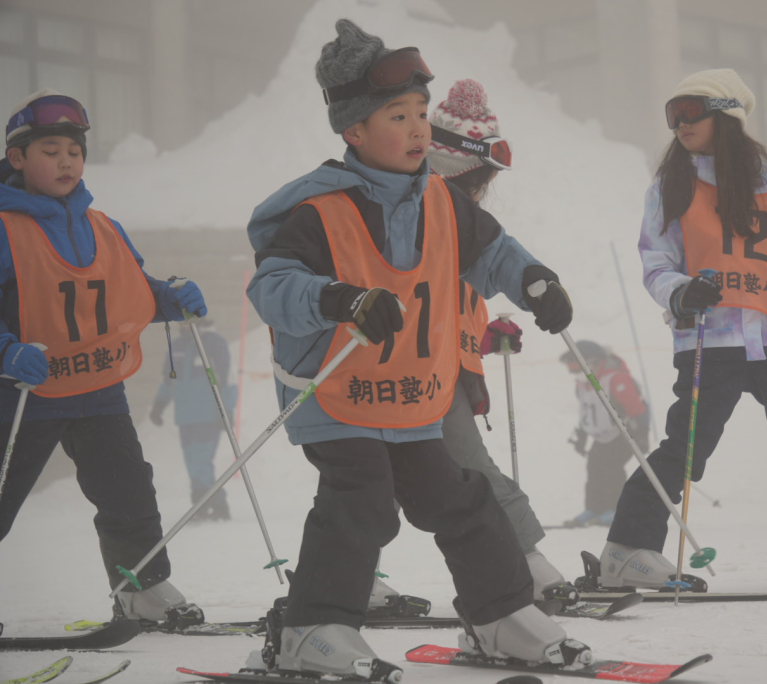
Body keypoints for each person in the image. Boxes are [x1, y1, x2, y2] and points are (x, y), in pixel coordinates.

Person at [244, 21, 584, 677]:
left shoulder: (442, 201)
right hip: (337, 391)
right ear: (354, 131)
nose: (419, 128)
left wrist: (536, 283)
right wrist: (340, 299)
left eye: (422, 114)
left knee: (459, 497)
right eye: (397, 115)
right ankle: (311, 626)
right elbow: (273, 285)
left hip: (409, 396)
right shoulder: (319, 209)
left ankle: (499, 616)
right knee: (363, 499)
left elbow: (495, 254)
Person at [599, 69, 767, 590]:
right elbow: (655, 263)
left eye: (690, 111)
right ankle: (626, 551)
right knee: (684, 451)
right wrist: (682, 290)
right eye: (672, 115)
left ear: (725, 115)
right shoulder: (671, 186)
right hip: (712, 340)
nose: (678, 124)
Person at [0, 89, 209, 624]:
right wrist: (5, 349)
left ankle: (140, 585)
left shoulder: (102, 225)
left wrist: (170, 297)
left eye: (74, 151)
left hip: (95, 385)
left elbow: (130, 292)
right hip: (22, 390)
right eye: (50, 150)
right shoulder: (3, 228)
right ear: (17, 158)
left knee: (128, 491)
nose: (66, 161)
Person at [427, 78, 572, 602]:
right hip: (411, 373)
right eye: (474, 185)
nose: (479, 198)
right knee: (469, 473)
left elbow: (450, 299)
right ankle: (528, 570)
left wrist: (485, 334)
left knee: (387, 482)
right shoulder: (427, 209)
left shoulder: (457, 223)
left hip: (441, 367)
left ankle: (521, 572)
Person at [150, 317, 236, 521]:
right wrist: (159, 405)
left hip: (208, 415)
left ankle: (204, 504)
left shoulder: (214, 343)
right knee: (193, 463)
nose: (182, 325)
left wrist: (226, 409)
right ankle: (215, 504)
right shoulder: (178, 346)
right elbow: (169, 380)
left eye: (187, 321)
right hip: (185, 417)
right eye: (181, 321)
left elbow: (228, 379)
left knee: (200, 461)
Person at [561, 340, 649, 528]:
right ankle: (594, 509)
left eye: (575, 366)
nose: (573, 372)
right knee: (594, 468)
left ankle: (615, 509)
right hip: (601, 436)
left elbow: (637, 408)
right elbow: (587, 411)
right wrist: (582, 436)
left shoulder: (615, 379)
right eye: (571, 367)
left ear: (591, 362)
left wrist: (642, 435)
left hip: (623, 433)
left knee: (611, 468)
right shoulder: (582, 384)